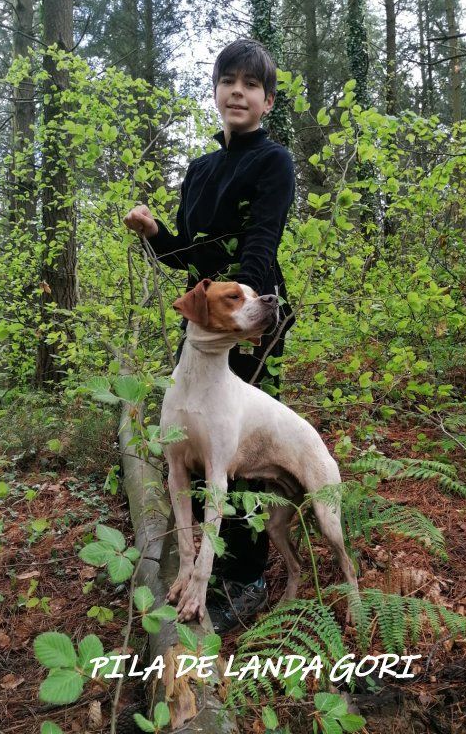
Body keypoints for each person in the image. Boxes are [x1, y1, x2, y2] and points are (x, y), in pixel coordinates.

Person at [123, 38, 296, 633]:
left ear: (267, 100)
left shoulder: (273, 162)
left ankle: (245, 577)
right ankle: (199, 561)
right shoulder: (198, 169)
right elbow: (192, 259)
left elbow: (260, 244)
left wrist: (240, 313)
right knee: (189, 444)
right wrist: (153, 233)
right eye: (229, 82)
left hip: (248, 325)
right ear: (216, 91)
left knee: (239, 454)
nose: (238, 93)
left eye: (251, 85)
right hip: (203, 324)